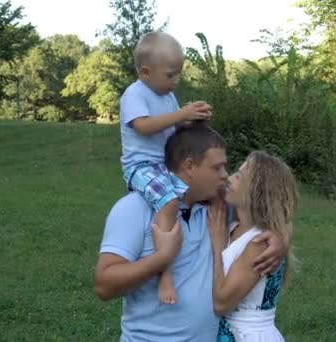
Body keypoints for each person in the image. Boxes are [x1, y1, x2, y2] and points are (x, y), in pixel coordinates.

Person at [94, 124, 287, 342]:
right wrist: (161, 259)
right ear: (189, 166)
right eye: (217, 168)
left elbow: (267, 207)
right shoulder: (135, 209)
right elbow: (104, 285)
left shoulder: (221, 207)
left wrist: (278, 238)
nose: (225, 175)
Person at [119, 31, 213, 304]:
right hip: (141, 166)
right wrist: (180, 114)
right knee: (169, 203)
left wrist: (191, 117)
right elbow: (144, 126)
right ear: (146, 72)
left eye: (179, 74)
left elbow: (171, 125)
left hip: (164, 166)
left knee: (200, 197)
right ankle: (164, 270)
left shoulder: (167, 97)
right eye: (170, 75)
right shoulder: (135, 94)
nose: (176, 81)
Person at [208, 151, 298, 342]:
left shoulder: (259, 244)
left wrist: (217, 248)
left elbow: (221, 303)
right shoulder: (234, 225)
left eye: (239, 177)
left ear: (256, 192)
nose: (229, 178)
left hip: (248, 334)